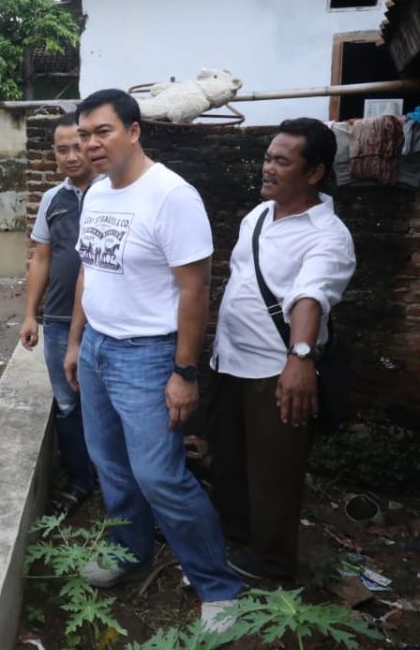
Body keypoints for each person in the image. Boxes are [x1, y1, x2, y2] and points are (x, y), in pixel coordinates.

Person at [63, 89, 243, 631]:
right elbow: (88, 273)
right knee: (110, 465)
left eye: (103, 132)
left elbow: (195, 290)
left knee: (160, 475)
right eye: (85, 134)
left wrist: (184, 372)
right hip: (97, 347)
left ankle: (218, 586)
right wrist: (76, 343)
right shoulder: (96, 194)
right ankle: (129, 552)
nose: (91, 143)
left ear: (134, 131)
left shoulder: (172, 196)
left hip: (147, 355)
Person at [208, 118, 355, 582]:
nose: (267, 168)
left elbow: (310, 296)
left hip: (276, 371)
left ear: (314, 173)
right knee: (229, 461)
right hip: (228, 360)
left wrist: (301, 358)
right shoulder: (258, 215)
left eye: (281, 161)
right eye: (268, 157)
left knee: (274, 475)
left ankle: (272, 565)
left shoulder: (329, 236)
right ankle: (234, 538)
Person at [21, 113, 96, 512]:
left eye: (77, 146)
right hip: (58, 322)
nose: (70, 156)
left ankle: (121, 485)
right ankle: (80, 480)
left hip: (104, 326)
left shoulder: (115, 193)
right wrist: (31, 314)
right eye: (61, 149)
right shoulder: (53, 200)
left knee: (108, 406)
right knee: (68, 405)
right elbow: (41, 258)